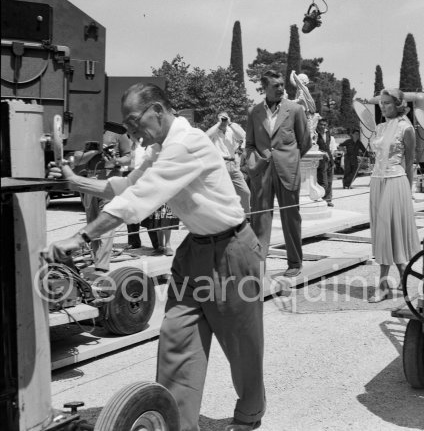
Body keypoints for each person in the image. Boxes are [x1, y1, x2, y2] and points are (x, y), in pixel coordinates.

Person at [44, 83, 266, 431]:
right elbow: (127, 185)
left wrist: (83, 235)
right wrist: (76, 182)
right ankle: (178, 424)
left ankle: (250, 414)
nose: (131, 130)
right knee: (177, 340)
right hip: (195, 251)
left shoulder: (186, 144)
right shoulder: (160, 149)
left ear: (158, 110)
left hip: (232, 252)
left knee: (242, 346)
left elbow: (139, 199)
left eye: (134, 121)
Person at [245, 70, 312, 278]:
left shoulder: (295, 109)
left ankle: (294, 263)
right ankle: (258, 266)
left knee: (291, 217)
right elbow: (249, 143)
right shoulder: (254, 112)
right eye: (276, 85)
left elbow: (305, 142)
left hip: (287, 171)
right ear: (264, 88)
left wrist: (289, 158)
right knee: (260, 219)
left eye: (282, 84)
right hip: (262, 172)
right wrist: (253, 163)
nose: (282, 88)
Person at [368, 88, 419, 302]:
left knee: (391, 231)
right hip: (377, 181)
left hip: (396, 181)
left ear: (397, 104)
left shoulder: (406, 128)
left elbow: (409, 162)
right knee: (383, 232)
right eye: (381, 102)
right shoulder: (379, 127)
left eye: (388, 103)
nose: (383, 106)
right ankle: (397, 278)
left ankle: (385, 284)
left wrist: (409, 188)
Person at [81, 127, 132, 274]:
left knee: (107, 222)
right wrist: (94, 151)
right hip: (90, 179)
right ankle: (98, 260)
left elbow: (128, 157)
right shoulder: (86, 129)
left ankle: (101, 266)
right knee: (92, 223)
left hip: (111, 179)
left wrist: (115, 160)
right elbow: (78, 157)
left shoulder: (118, 131)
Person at [206, 111, 251, 215]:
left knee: (245, 192)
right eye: (221, 118)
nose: (223, 120)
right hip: (220, 164)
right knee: (220, 194)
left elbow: (242, 136)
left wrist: (230, 123)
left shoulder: (232, 129)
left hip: (233, 165)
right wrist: (218, 123)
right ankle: (219, 217)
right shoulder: (214, 131)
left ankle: (245, 217)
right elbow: (206, 136)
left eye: (225, 118)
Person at [316, 117, 337, 207]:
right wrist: (323, 152)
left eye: (324, 124)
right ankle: (322, 198)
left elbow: (331, 146)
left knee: (330, 181)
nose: (323, 126)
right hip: (321, 161)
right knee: (323, 182)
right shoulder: (315, 134)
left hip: (330, 161)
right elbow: (313, 146)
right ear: (317, 124)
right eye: (321, 124)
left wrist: (333, 156)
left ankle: (328, 199)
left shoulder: (328, 134)